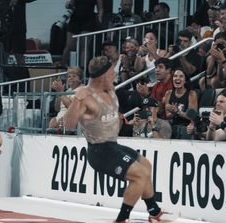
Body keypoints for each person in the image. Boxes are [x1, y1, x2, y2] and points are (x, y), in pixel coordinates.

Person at [64, 56, 165, 223]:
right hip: (99, 151)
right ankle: (121, 219)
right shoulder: (86, 96)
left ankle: (154, 212)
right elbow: (69, 125)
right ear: (102, 76)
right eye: (111, 73)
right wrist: (77, 100)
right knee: (139, 175)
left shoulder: (110, 90)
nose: (114, 76)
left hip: (112, 145)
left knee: (146, 165)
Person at [61, 0, 103, 66]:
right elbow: (67, 5)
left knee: (84, 47)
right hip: (75, 19)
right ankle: (62, 67)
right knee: (69, 46)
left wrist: (100, 18)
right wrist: (70, 3)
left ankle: (82, 70)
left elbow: (100, 9)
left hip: (88, 21)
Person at [164, 68, 198, 139]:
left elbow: (192, 116)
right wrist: (173, 112)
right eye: (175, 76)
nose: (177, 78)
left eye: (181, 76)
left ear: (185, 80)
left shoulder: (191, 94)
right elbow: (168, 115)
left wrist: (178, 112)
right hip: (172, 126)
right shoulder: (168, 93)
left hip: (187, 126)